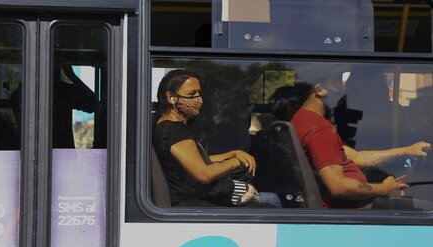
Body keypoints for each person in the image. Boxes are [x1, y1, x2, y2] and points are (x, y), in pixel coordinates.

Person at [271, 82, 431, 208]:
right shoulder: (319, 130)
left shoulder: (304, 119)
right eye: (336, 82)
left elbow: (356, 157)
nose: (343, 91)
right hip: (356, 211)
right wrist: (383, 189)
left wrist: (406, 151)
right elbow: (338, 186)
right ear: (319, 89)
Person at [153, 69, 281, 207]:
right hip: (194, 203)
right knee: (272, 200)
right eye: (191, 94)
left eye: (199, 93)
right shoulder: (174, 130)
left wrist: (233, 153)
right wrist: (236, 162)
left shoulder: (168, 125)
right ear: (171, 97)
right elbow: (204, 174)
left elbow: (196, 160)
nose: (198, 99)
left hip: (192, 198)